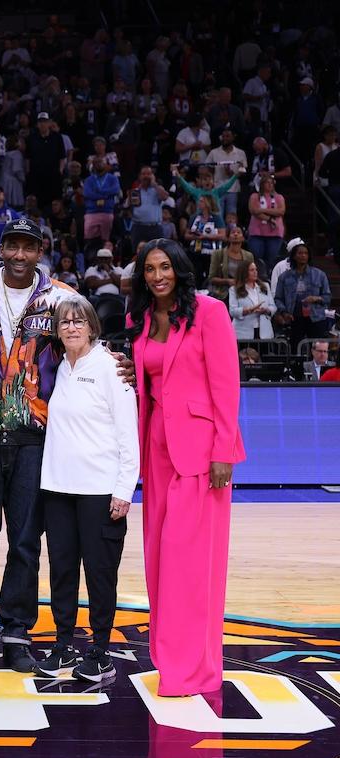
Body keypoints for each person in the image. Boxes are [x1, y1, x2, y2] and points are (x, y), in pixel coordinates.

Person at [0, 217, 80, 673]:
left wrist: (115, 361)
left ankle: (15, 630)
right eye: (12, 245)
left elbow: (84, 347)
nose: (19, 255)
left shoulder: (63, 296)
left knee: (26, 540)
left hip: (34, 436)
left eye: (29, 247)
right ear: (1, 246)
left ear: (40, 250)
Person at [128, 239, 244, 696]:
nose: (158, 276)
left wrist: (223, 450)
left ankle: (195, 670)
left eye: (165, 267)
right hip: (156, 448)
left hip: (200, 452)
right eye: (149, 269)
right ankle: (168, 660)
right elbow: (146, 377)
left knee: (192, 564)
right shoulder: (138, 318)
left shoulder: (209, 313)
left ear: (179, 269)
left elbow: (226, 384)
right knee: (159, 561)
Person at [35, 295, 139, 683]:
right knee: (62, 571)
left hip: (100, 490)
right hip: (59, 489)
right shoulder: (60, 367)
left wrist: (124, 489)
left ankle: (100, 652)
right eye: (64, 323)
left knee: (99, 574)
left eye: (79, 321)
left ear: (93, 327)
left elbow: (129, 433)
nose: (72, 327)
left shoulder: (112, 368)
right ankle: (62, 645)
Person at [274, 241, 332, 347]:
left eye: (305, 253)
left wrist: (316, 298)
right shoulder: (284, 277)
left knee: (317, 348)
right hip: (294, 318)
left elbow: (327, 297)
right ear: (294, 256)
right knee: (296, 350)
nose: (303, 255)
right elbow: (278, 298)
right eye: (300, 253)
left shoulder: (320, 275)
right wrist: (284, 312)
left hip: (316, 318)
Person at [246, 175, 284, 272]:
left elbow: (281, 211)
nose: (270, 185)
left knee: (271, 259)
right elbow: (253, 210)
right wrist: (270, 219)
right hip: (257, 232)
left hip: (274, 233)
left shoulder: (279, 197)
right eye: (267, 182)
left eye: (271, 183)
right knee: (257, 257)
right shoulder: (254, 196)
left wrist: (263, 210)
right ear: (262, 184)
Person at [228, 262, 276, 340]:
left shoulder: (265, 286)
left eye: (256, 269)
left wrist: (266, 310)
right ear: (244, 273)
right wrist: (249, 310)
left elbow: (273, 306)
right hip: (242, 333)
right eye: (251, 270)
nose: (255, 272)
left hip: (264, 332)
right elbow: (233, 311)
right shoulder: (234, 290)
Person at [207, 228, 254, 303]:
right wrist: (227, 281)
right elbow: (211, 278)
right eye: (233, 232)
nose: (235, 234)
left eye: (238, 232)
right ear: (228, 238)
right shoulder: (218, 254)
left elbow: (252, 276)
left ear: (243, 238)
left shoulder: (249, 256)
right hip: (224, 293)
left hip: (244, 291)